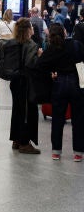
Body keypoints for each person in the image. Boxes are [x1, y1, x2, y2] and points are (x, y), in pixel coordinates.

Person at [36, 23, 84, 161]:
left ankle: (56, 151)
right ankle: (78, 153)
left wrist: (51, 73)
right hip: (77, 84)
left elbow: (40, 65)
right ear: (64, 32)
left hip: (59, 84)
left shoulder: (52, 49)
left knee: (57, 119)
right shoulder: (76, 45)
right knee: (79, 119)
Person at [9, 18, 42, 154]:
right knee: (28, 113)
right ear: (28, 29)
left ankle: (16, 139)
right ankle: (24, 142)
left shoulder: (13, 43)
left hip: (15, 81)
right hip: (26, 83)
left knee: (17, 110)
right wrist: (39, 56)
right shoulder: (31, 44)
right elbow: (30, 64)